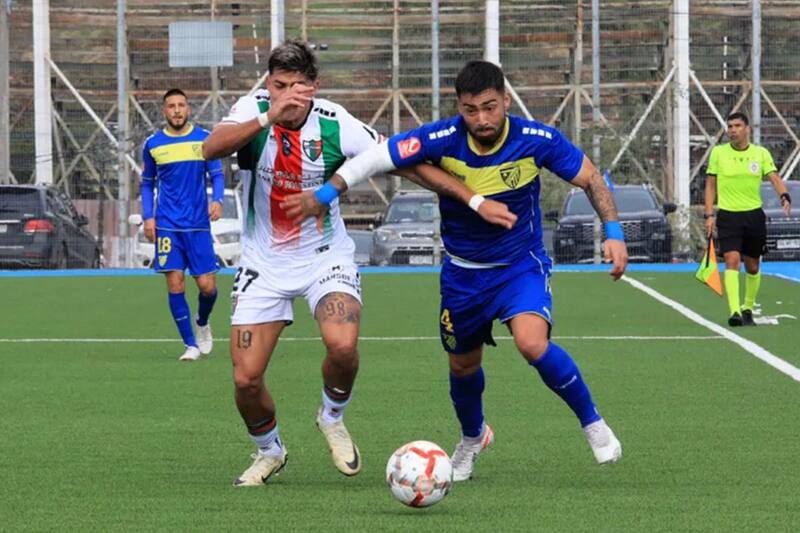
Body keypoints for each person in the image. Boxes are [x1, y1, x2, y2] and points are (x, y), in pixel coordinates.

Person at [283, 59, 629, 481]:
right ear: (458, 107)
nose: (481, 119)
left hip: (520, 266)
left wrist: (613, 231)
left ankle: (593, 423)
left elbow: (591, 178)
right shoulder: (440, 138)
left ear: (505, 99)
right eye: (470, 109)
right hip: (463, 275)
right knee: (463, 367)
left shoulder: (538, 140)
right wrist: (323, 193)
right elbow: (372, 159)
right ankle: (472, 438)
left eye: (489, 107)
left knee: (531, 343)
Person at [201, 41, 515, 487]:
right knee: (246, 379)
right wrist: (269, 114)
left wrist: (471, 195)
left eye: (296, 86)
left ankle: (331, 417)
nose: (287, 94)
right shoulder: (253, 109)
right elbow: (210, 148)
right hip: (262, 263)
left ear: (314, 87)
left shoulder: (334, 122)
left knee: (344, 347)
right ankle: (270, 452)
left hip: (325, 257)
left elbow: (399, 160)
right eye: (278, 85)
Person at [140, 88, 224, 362]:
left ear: (189, 109)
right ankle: (190, 345)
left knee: (207, 287)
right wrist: (148, 216)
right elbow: (147, 183)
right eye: (171, 106)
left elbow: (217, 175)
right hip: (167, 226)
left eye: (181, 105)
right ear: (164, 111)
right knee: (175, 285)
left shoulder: (204, 140)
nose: (176, 110)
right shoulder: (153, 144)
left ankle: (202, 321)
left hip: (198, 225)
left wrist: (218, 200)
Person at [704, 112, 792, 326]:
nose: (732, 130)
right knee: (732, 259)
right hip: (728, 215)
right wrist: (709, 214)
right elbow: (711, 185)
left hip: (753, 216)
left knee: (752, 266)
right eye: (730, 126)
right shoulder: (719, 153)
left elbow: (773, 176)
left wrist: (784, 195)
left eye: (737, 126)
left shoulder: (760, 153)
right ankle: (734, 311)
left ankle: (747, 309)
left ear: (747, 129)